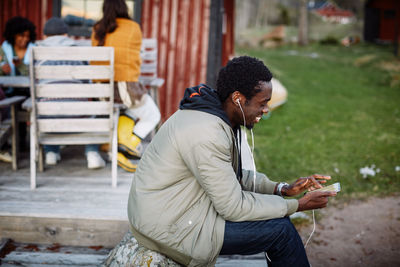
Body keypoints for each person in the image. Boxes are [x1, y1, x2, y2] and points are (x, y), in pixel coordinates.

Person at [127, 56, 337, 266]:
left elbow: (229, 176)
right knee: (281, 231)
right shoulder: (206, 132)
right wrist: (298, 205)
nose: (266, 110)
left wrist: (281, 189)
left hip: (176, 210)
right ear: (237, 98)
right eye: (262, 103)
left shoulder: (215, 115)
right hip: (168, 225)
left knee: (278, 221)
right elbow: (233, 207)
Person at [91, 0, 161, 172]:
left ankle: (120, 145)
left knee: (130, 110)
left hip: (102, 91)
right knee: (153, 115)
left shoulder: (98, 29)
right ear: (124, 8)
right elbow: (136, 59)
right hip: (125, 90)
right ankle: (125, 146)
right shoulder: (132, 27)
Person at [38, 17, 105, 169]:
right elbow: (89, 83)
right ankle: (92, 153)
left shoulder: (36, 53)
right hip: (78, 115)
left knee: (47, 104)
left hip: (46, 116)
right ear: (66, 36)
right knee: (97, 107)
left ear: (45, 37)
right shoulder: (79, 52)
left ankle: (51, 152)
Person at [0, 16, 36, 94]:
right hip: (8, 92)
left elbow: (35, 75)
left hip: (29, 92)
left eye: (27, 36)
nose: (25, 39)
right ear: (13, 35)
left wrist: (20, 65)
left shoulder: (33, 49)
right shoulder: (3, 49)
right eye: (22, 35)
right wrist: (2, 69)